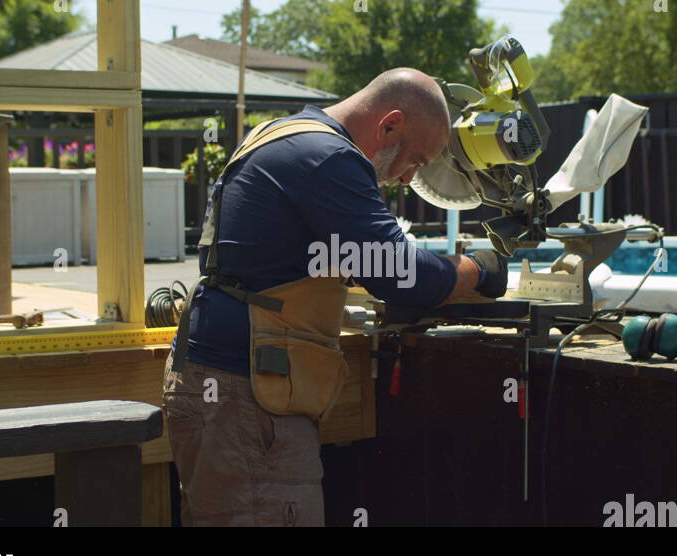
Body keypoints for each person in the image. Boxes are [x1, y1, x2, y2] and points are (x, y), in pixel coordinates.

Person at [162, 67, 508, 526]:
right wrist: (478, 269)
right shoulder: (329, 158)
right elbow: (403, 276)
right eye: (417, 161)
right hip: (249, 400)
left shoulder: (281, 134)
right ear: (390, 125)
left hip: (213, 385)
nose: (407, 179)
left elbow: (313, 256)